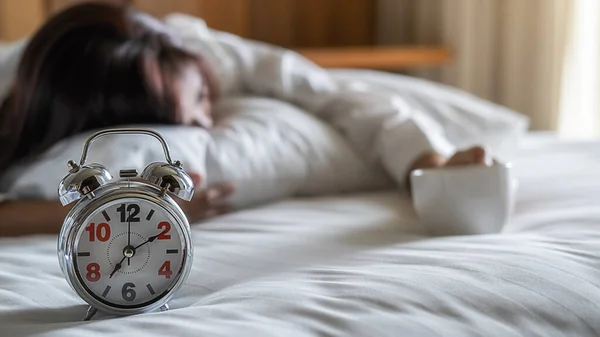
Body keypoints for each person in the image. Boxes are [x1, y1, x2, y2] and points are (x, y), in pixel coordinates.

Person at [0, 3, 486, 237]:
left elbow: (339, 95)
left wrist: (430, 163)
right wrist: (133, 210)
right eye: (189, 115)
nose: (204, 121)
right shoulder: (17, 92)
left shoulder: (197, 50)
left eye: (202, 99)